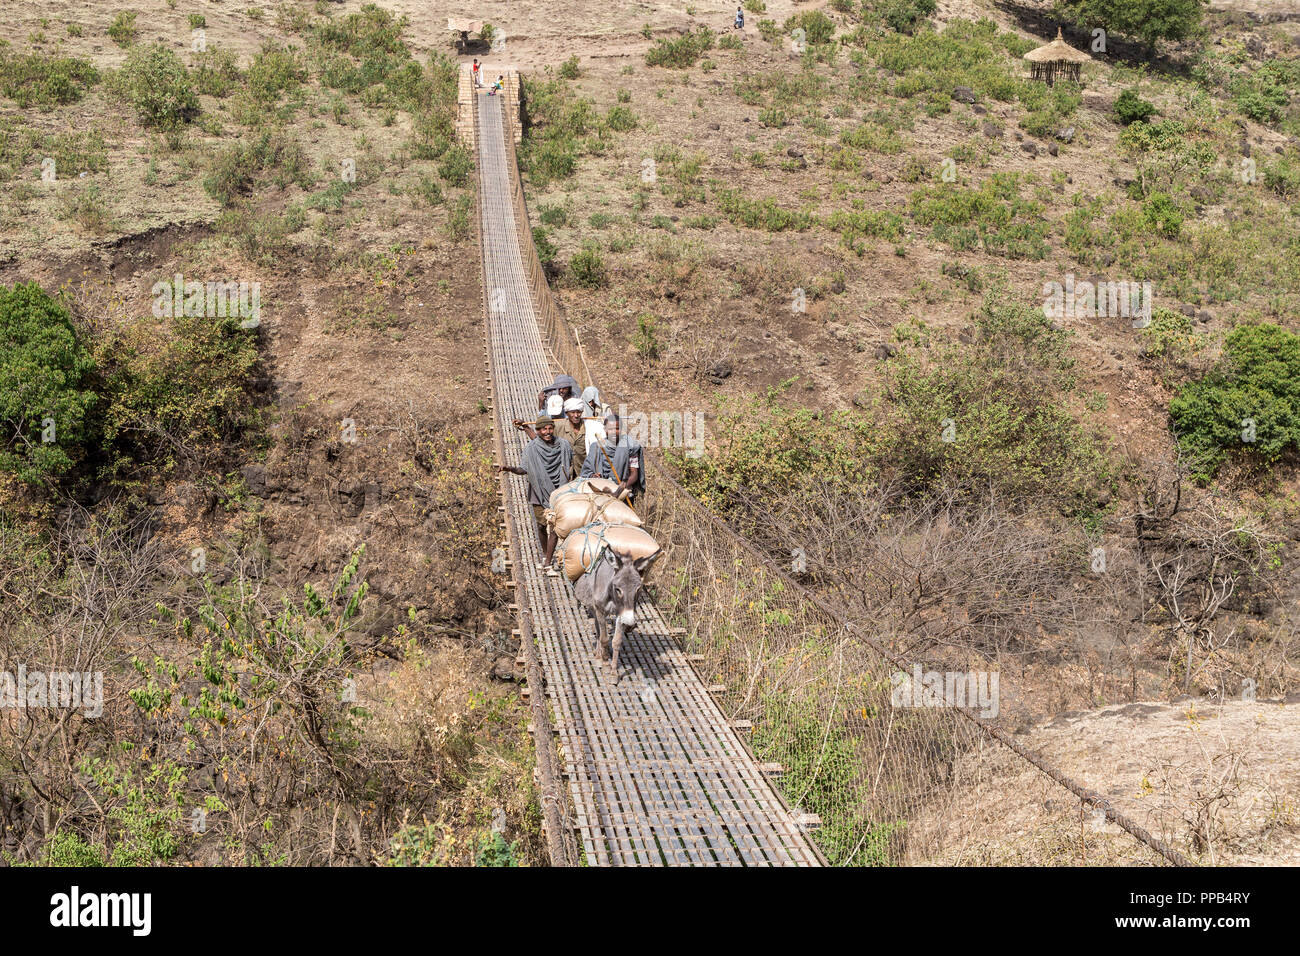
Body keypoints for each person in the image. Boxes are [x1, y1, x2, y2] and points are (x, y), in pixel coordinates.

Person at [499, 415, 572, 572]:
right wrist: (510, 468)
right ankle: (546, 555)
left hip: (559, 491)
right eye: (544, 429)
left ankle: (547, 563)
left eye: (550, 428)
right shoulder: (531, 449)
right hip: (538, 490)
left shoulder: (564, 446)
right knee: (541, 525)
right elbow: (523, 469)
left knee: (554, 527)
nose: (547, 431)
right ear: (538, 431)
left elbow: (569, 465)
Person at [580, 411, 645, 508]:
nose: (614, 432)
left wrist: (621, 487)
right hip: (599, 490)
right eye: (610, 429)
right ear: (605, 429)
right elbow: (586, 471)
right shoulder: (596, 447)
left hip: (622, 491)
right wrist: (593, 475)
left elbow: (634, 473)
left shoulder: (630, 446)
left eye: (617, 428)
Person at [514, 398, 587, 479]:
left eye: (579, 412)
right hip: (563, 475)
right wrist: (526, 427)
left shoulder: (589, 428)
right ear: (567, 413)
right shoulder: (558, 426)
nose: (576, 415)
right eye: (573, 412)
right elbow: (540, 440)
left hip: (583, 473)